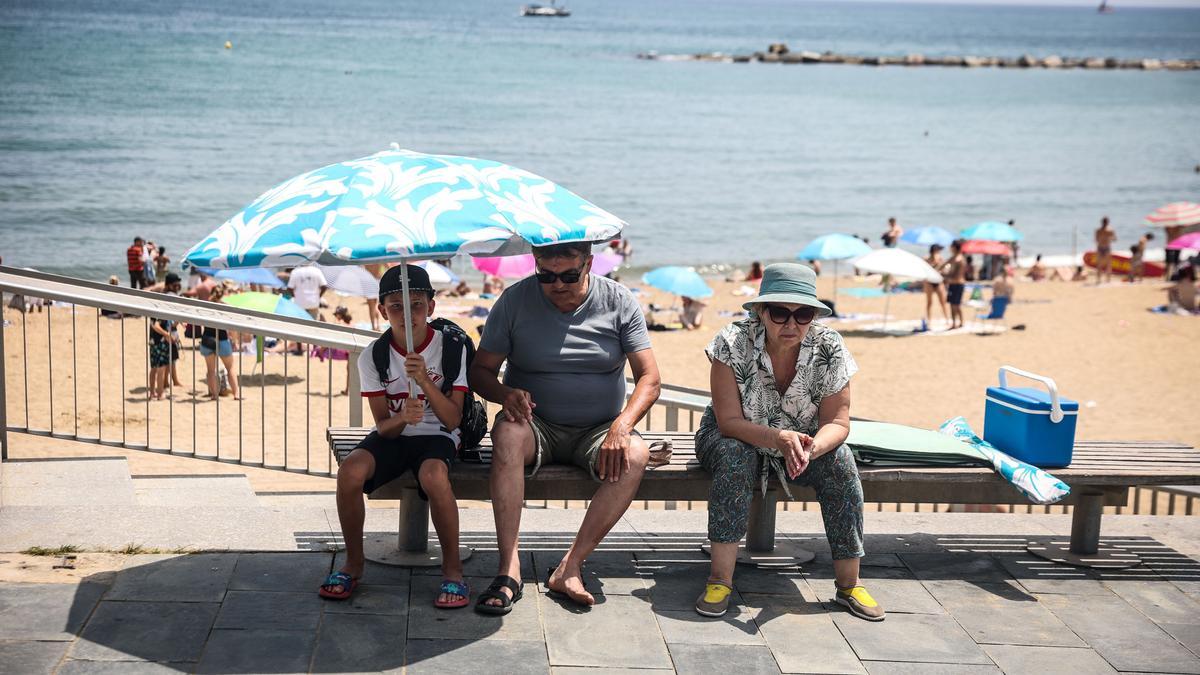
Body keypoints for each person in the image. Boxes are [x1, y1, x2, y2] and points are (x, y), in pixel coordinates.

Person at [469, 242, 660, 611]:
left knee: (636, 453)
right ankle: (509, 568)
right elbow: (480, 371)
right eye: (546, 275)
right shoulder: (514, 301)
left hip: (600, 428)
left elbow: (650, 378)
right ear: (535, 266)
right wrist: (505, 393)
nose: (557, 284)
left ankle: (570, 566)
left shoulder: (619, 301)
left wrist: (622, 425)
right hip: (534, 424)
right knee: (506, 434)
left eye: (569, 275)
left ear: (588, 264)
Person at [693, 263, 882, 622]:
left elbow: (838, 423)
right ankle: (720, 580)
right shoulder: (729, 342)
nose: (792, 324)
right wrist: (778, 439)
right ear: (762, 311)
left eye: (803, 314)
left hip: (801, 441)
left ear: (813, 315)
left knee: (841, 460)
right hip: (730, 436)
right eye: (780, 312)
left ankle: (849, 584)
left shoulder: (830, 346)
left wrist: (812, 448)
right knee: (736, 456)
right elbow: (729, 423)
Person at [320, 265, 470, 608]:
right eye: (396, 306)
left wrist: (427, 382)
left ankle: (453, 571)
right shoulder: (374, 355)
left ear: (431, 307)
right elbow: (383, 426)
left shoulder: (451, 347)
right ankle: (353, 564)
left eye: (416, 304)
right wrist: (403, 416)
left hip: (439, 435)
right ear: (381, 310)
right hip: (396, 435)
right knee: (350, 471)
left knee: (434, 475)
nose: (407, 314)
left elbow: (452, 418)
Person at [199, 286, 241, 400]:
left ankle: (214, 395)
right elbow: (232, 327)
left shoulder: (206, 306)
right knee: (230, 368)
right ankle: (236, 393)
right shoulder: (225, 307)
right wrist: (235, 340)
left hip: (207, 339)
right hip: (222, 339)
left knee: (211, 370)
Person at [940, 240, 967, 330]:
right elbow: (943, 265)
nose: (950, 248)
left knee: (955, 305)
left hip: (958, 284)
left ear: (955, 247)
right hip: (953, 284)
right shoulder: (953, 258)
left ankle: (958, 322)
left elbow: (957, 276)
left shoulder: (960, 260)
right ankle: (957, 322)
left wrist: (945, 276)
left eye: (951, 246)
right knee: (954, 304)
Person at [923, 244, 950, 328]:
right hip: (929, 282)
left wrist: (941, 267)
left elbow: (944, 270)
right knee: (929, 302)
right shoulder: (926, 259)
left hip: (938, 281)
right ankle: (929, 320)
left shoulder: (940, 259)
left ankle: (947, 319)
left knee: (943, 302)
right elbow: (924, 269)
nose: (940, 252)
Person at [1095, 217, 1117, 284]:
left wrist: (1107, 238)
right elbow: (1115, 239)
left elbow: (1097, 239)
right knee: (1104, 264)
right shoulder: (1108, 230)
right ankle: (1104, 279)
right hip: (1104, 247)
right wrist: (1108, 238)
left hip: (1102, 247)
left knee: (1105, 264)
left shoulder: (1101, 230)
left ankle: (1105, 279)